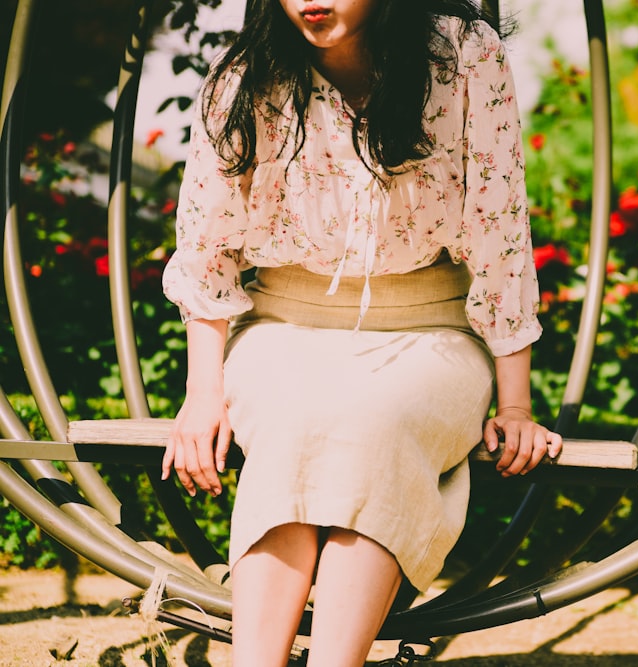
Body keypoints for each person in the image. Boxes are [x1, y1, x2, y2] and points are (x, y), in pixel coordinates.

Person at [160, 0, 562, 664]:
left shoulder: (463, 56)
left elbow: (501, 232)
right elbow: (207, 249)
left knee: (372, 419)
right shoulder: (245, 77)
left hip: (430, 334)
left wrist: (516, 405)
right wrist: (203, 394)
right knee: (296, 418)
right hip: (283, 328)